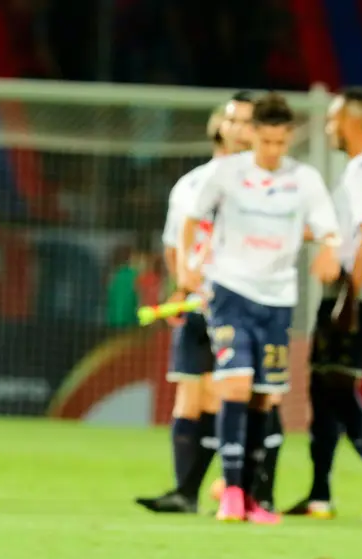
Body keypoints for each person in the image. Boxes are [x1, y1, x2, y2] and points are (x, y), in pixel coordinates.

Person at [180, 92, 341, 524]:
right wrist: (186, 266)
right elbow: (191, 218)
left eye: (279, 142)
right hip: (231, 291)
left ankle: (251, 496)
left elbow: (329, 229)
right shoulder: (227, 173)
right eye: (265, 141)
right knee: (233, 385)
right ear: (253, 136)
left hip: (278, 299)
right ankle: (231, 493)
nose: (272, 151)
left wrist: (329, 250)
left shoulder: (303, 179)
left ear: (289, 138)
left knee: (265, 397)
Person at [136, 94, 254, 514]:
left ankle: (241, 487)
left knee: (234, 394)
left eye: (248, 121)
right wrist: (182, 287)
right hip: (197, 302)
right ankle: (185, 492)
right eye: (233, 119)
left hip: (241, 303)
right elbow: (174, 244)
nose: (241, 128)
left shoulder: (259, 183)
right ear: (218, 125)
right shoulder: (190, 183)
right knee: (190, 394)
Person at [285, 86, 362, 520]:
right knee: (322, 390)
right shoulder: (358, 169)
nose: (328, 126)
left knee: (336, 389)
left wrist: (350, 298)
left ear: (354, 123)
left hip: (355, 294)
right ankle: (319, 493)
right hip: (347, 291)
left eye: (334, 119)